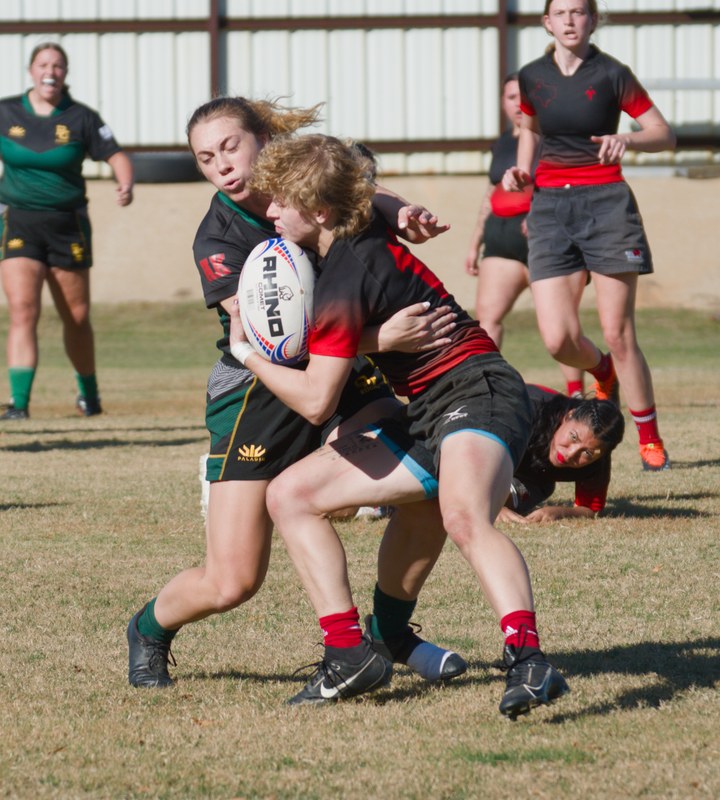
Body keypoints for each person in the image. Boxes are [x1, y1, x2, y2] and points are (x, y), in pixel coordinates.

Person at [126, 97, 466, 692]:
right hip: (258, 393)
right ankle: (147, 630)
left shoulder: (304, 183)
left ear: (264, 140)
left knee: (424, 481)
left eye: (231, 146)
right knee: (232, 581)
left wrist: (401, 208)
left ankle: (384, 634)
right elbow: (265, 338)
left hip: (345, 377)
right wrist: (379, 336)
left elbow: (356, 196)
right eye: (206, 158)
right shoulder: (219, 238)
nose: (222, 166)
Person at [232, 133, 569, 718]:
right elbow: (366, 192)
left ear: (319, 211)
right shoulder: (355, 237)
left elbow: (315, 401)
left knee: (461, 514)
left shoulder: (343, 275)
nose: (271, 211)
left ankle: (529, 661)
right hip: (425, 408)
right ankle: (349, 654)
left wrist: (250, 355)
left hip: (478, 389)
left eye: (281, 201)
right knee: (291, 494)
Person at [502, 0, 676, 471]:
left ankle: (648, 437)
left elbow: (663, 132)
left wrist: (630, 139)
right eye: (561, 12)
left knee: (619, 333)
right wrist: (521, 169)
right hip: (550, 208)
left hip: (606, 205)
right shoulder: (533, 75)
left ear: (593, 19)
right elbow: (530, 129)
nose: (570, 20)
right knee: (558, 339)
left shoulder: (613, 74)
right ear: (548, 22)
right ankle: (602, 373)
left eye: (580, 11)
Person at [0, 42, 134, 420]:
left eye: (58, 65)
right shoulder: (6, 111)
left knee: (75, 316)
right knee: (23, 310)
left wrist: (125, 183)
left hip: (67, 225)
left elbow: (116, 154)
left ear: (65, 73)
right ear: (31, 71)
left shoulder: (81, 118)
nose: (51, 71)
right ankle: (19, 405)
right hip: (18, 222)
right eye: (44, 64)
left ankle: (88, 396)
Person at [464, 74, 584, 398]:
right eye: (510, 97)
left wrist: (542, 214)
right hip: (500, 239)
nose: (518, 104)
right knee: (487, 318)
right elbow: (491, 192)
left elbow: (570, 185)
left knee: (559, 327)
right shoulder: (501, 143)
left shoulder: (554, 140)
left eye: (523, 97)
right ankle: (488, 389)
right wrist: (475, 242)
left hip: (546, 238)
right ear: (503, 102)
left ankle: (577, 393)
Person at [495, 385, 625, 524]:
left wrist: (560, 512)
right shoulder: (525, 412)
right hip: (486, 452)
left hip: (532, 478)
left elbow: (589, 509)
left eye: (587, 453)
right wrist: (493, 509)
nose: (571, 454)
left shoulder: (598, 458)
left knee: (507, 496)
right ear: (568, 416)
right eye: (573, 437)